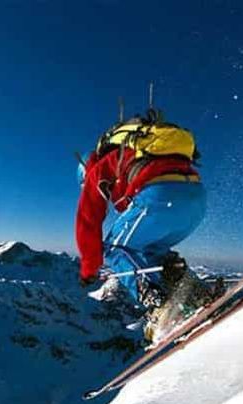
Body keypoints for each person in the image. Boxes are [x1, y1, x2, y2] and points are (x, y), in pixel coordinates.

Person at [75, 108, 209, 344]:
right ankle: (195, 291)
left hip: (159, 195)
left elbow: (88, 220)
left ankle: (160, 307)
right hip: (196, 201)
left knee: (116, 249)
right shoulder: (134, 153)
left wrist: (89, 269)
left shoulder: (99, 168)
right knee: (150, 251)